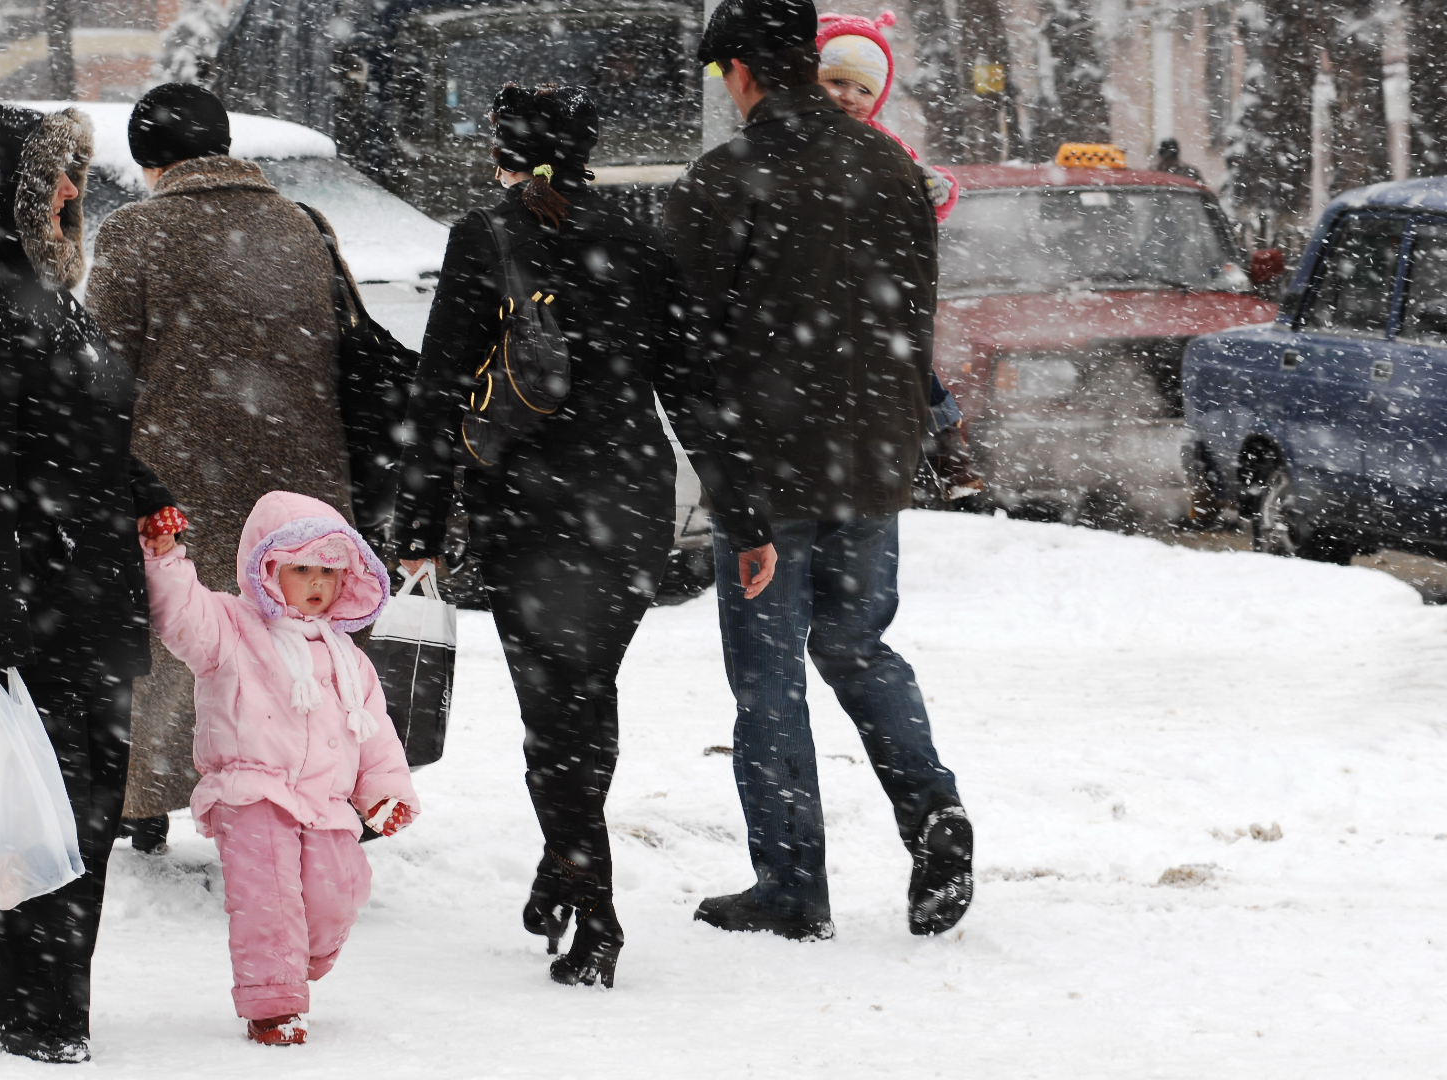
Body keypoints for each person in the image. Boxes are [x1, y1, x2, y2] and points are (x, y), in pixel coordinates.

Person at [394, 83, 778, 988]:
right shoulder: (644, 241)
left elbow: (438, 391)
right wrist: (743, 517)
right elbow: (694, 392)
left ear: (500, 151)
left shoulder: (483, 239)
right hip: (631, 507)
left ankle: (593, 907)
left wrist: (416, 530)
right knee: (586, 699)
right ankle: (560, 867)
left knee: (552, 718)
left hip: (531, 512)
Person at [665, 0, 974, 943]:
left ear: (741, 74)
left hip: (771, 475)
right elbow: (911, 324)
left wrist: (738, 504)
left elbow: (686, 358)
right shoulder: (892, 168)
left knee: (769, 682)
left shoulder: (727, 180)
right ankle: (934, 812)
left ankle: (793, 885)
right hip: (873, 463)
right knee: (856, 648)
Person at [0, 100, 173, 1064]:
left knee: (75, 808)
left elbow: (72, 430)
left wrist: (140, 486)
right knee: (72, 810)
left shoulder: (40, 287)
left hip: (83, 587)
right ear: (3, 191)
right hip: (31, 603)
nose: (73, 191)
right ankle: (40, 1013)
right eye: (55, 172)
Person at [86, 82, 359, 853]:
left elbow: (103, 372)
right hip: (303, 484)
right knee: (289, 643)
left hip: (182, 483)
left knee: (179, 645)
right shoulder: (304, 225)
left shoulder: (134, 234)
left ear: (149, 159)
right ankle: (306, 792)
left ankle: (147, 796)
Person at [140, 491, 417, 1046]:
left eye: (331, 571)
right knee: (267, 897)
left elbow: (374, 730)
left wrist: (386, 790)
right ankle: (273, 1004)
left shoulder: (348, 656)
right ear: (267, 569)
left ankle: (292, 963)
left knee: (339, 890)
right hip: (252, 789)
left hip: (327, 800)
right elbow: (180, 614)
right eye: (302, 568)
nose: (319, 583)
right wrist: (165, 555)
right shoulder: (230, 628)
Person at [814, 10, 983, 500]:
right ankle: (940, 443)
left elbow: (928, 189)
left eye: (864, 89)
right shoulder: (799, 141)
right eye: (837, 82)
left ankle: (947, 446)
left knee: (910, 366)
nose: (849, 96)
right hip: (825, 287)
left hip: (873, 287)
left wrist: (939, 190)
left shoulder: (886, 147)